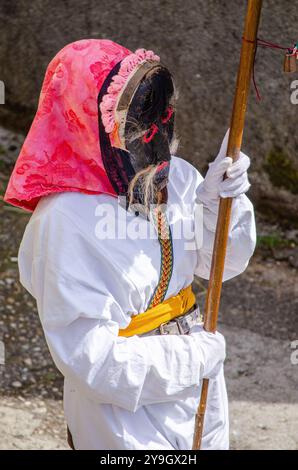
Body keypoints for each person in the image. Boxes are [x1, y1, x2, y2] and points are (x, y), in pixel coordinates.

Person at [4, 39, 256, 450]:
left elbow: (220, 265)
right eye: (141, 122)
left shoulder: (176, 178)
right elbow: (94, 360)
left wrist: (220, 204)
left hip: (199, 390)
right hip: (122, 416)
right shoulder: (64, 221)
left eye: (160, 116)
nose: (156, 134)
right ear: (86, 119)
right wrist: (193, 358)